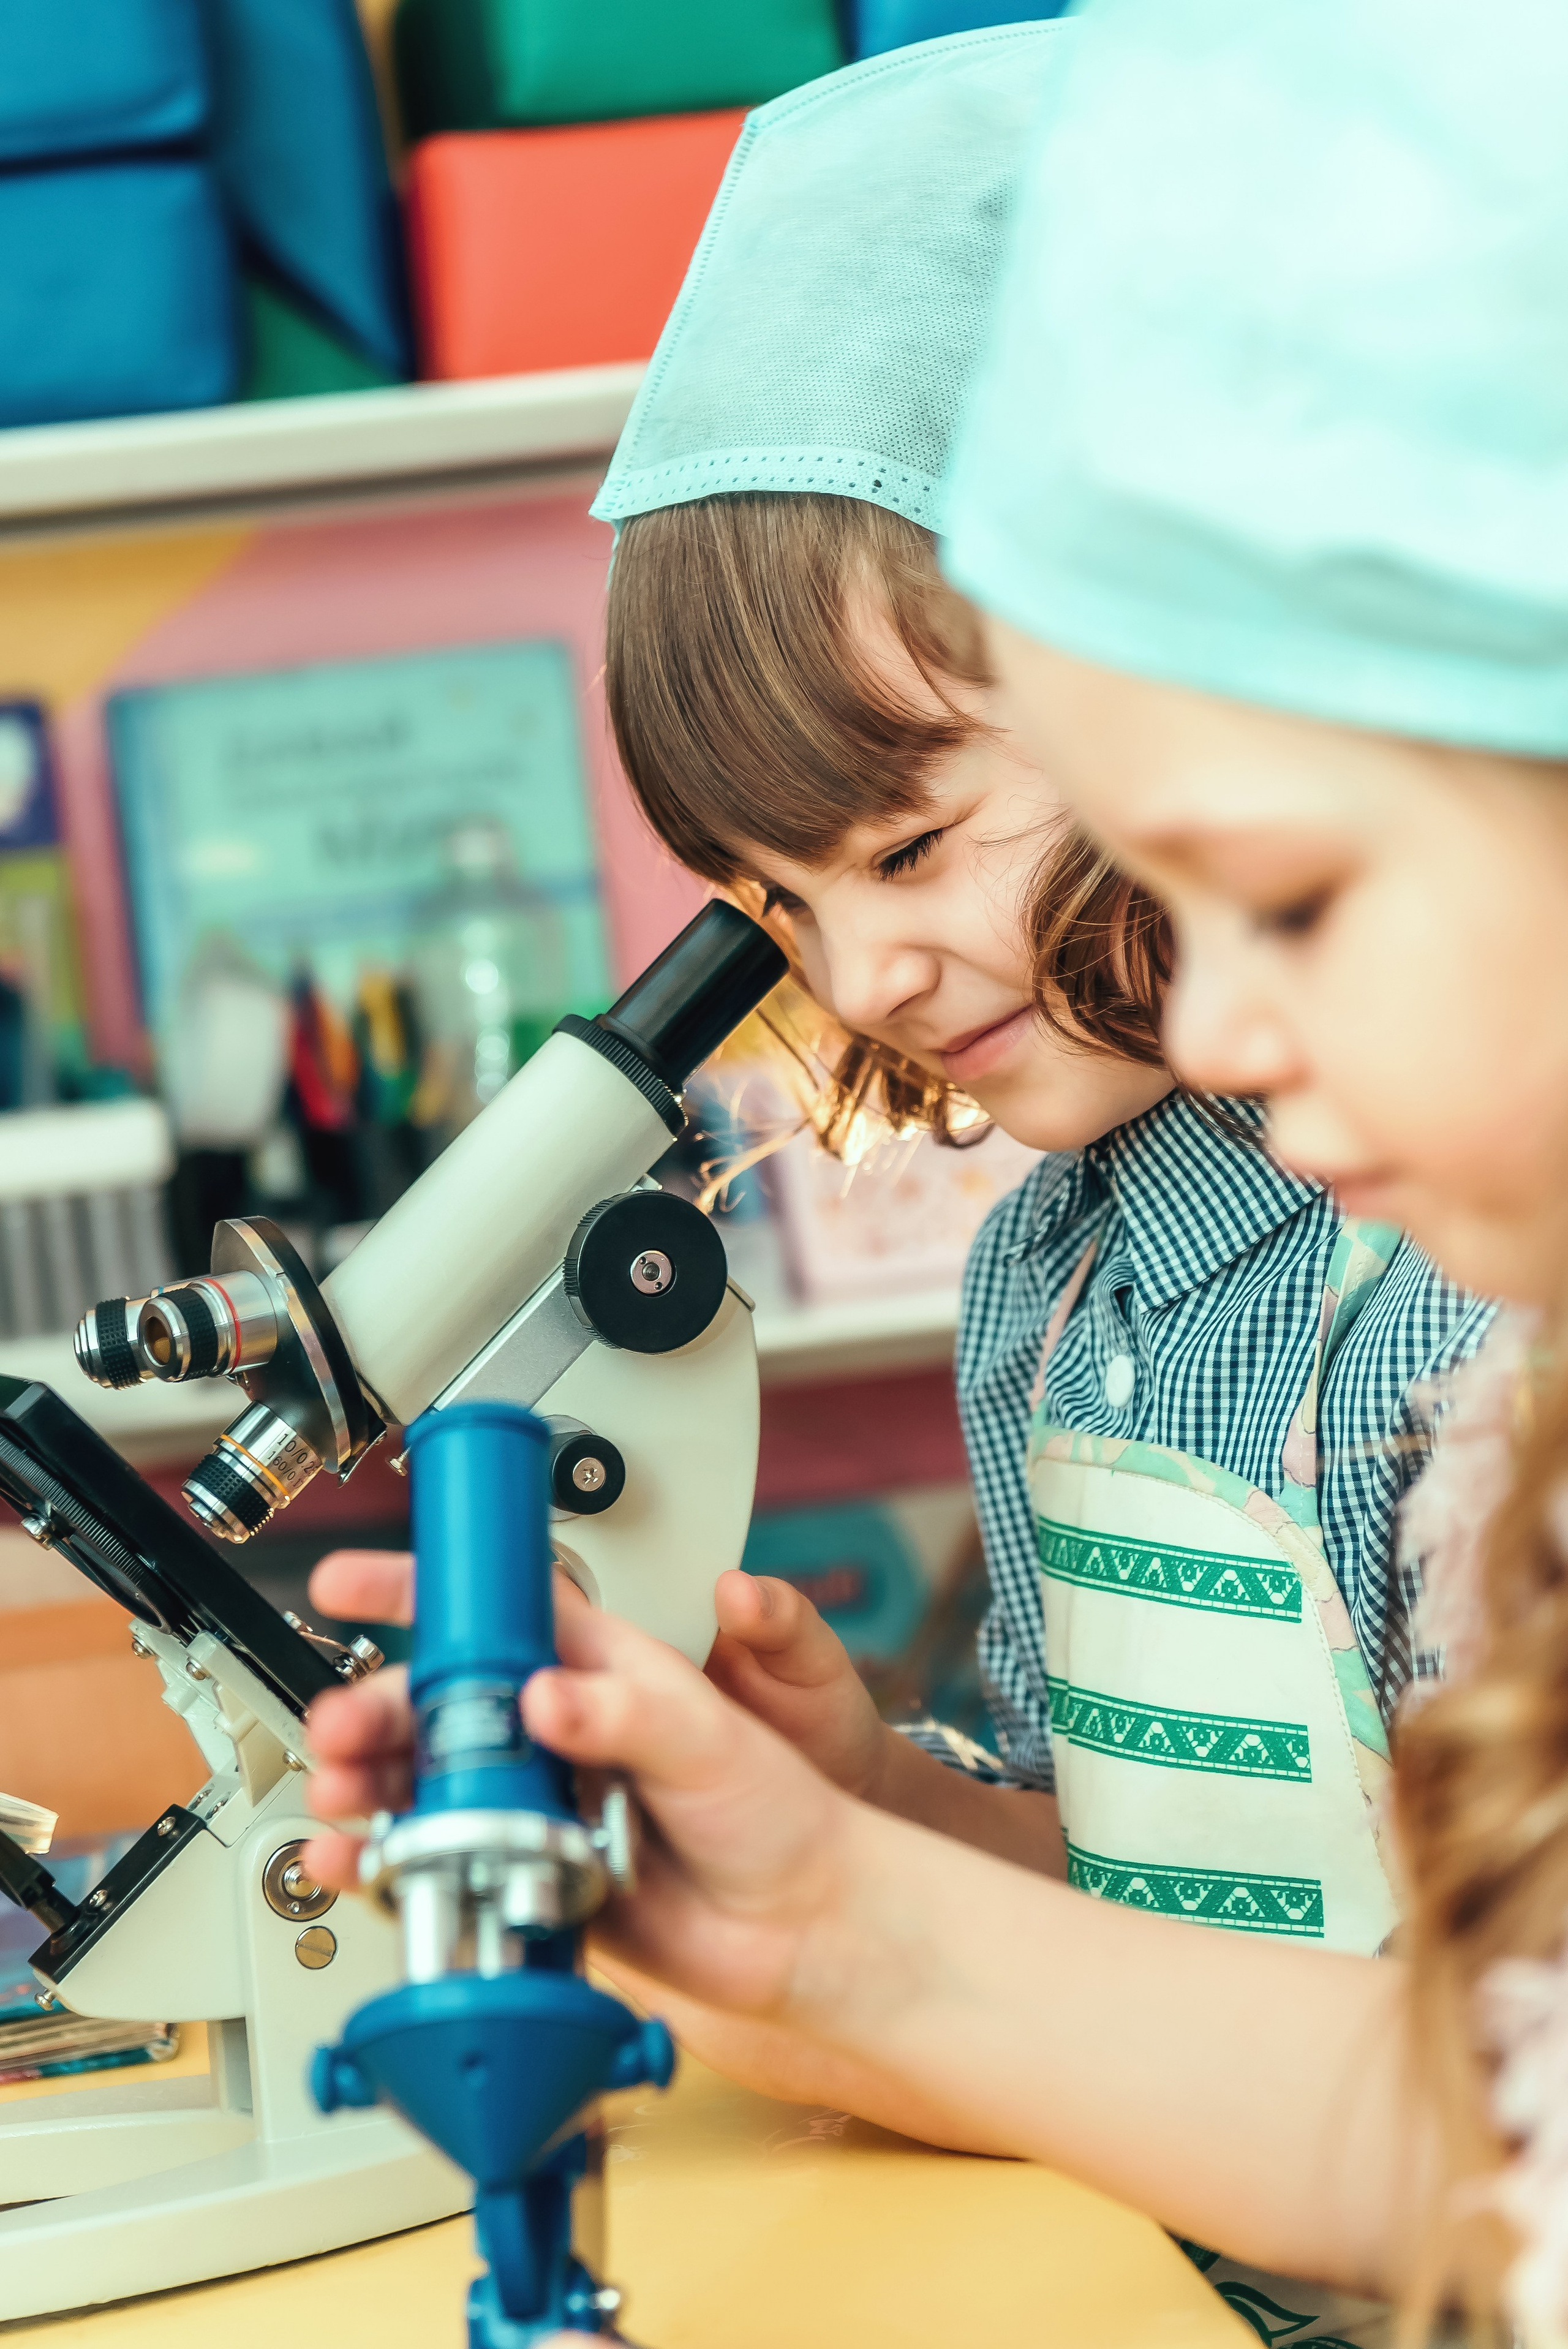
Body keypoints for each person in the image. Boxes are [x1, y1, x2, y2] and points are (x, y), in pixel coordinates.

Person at [304, 4, 1568, 2339]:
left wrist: (864, 1927)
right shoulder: (1045, 1297)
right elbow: (1214, 1947)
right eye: (780, 907)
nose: (865, 971)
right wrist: (866, 1820)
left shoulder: (1485, 1310)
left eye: (907, 843)